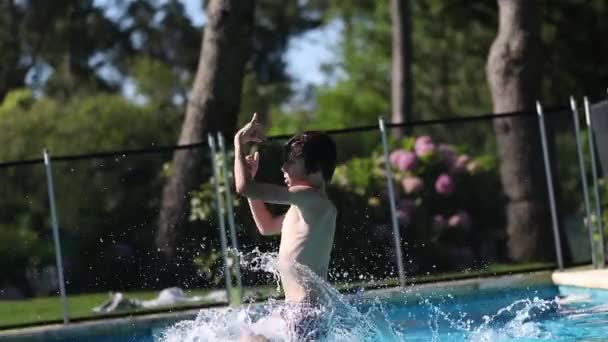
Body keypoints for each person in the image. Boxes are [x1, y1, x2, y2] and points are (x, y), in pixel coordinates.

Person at [234, 113, 338, 340]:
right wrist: (251, 180)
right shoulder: (303, 208)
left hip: (305, 315)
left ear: (316, 168)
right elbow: (267, 226)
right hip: (292, 311)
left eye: (291, 161)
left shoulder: (314, 200)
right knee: (248, 336)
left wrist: (238, 144)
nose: (283, 167)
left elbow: (243, 187)